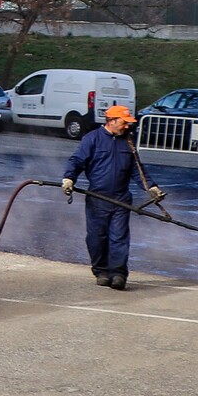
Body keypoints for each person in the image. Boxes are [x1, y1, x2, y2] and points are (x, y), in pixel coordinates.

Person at [61, 104, 162, 290]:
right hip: (97, 198)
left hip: (121, 199)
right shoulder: (92, 139)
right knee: (96, 237)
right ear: (112, 121)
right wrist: (69, 178)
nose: (127, 126)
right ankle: (101, 271)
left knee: (119, 237)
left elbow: (137, 169)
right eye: (124, 123)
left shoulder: (128, 141)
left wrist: (151, 187)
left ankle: (118, 274)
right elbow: (77, 161)